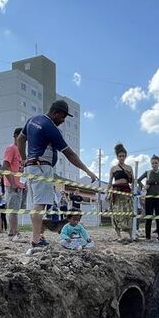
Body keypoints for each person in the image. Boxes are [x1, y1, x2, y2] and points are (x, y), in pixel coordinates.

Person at [16, 100, 99, 250]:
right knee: (39, 204)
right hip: (42, 167)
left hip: (31, 166)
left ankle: (38, 237)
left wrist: (23, 159)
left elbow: (20, 139)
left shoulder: (33, 120)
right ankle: (36, 240)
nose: (63, 120)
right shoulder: (50, 128)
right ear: (56, 113)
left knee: (36, 204)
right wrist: (88, 171)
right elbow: (70, 154)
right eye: (63, 117)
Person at [137, 154, 159, 242]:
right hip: (149, 197)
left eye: (156, 163)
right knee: (148, 217)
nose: (154, 165)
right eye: (153, 163)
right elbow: (138, 180)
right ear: (151, 164)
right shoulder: (147, 172)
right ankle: (148, 237)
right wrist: (143, 187)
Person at [2, 127, 26, 240]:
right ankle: (12, 233)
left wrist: (23, 183)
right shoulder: (11, 148)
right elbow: (5, 166)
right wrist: (13, 184)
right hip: (12, 185)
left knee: (16, 210)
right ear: (16, 135)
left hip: (20, 185)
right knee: (13, 210)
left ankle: (14, 231)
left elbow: (20, 168)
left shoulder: (21, 151)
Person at [108, 143, 135, 241]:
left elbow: (133, 181)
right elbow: (110, 182)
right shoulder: (113, 168)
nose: (122, 158)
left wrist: (132, 191)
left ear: (125, 156)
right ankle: (119, 235)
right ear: (117, 157)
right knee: (116, 213)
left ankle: (131, 234)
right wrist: (107, 193)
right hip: (116, 191)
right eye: (120, 156)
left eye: (123, 156)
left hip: (126, 191)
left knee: (128, 212)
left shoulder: (129, 168)